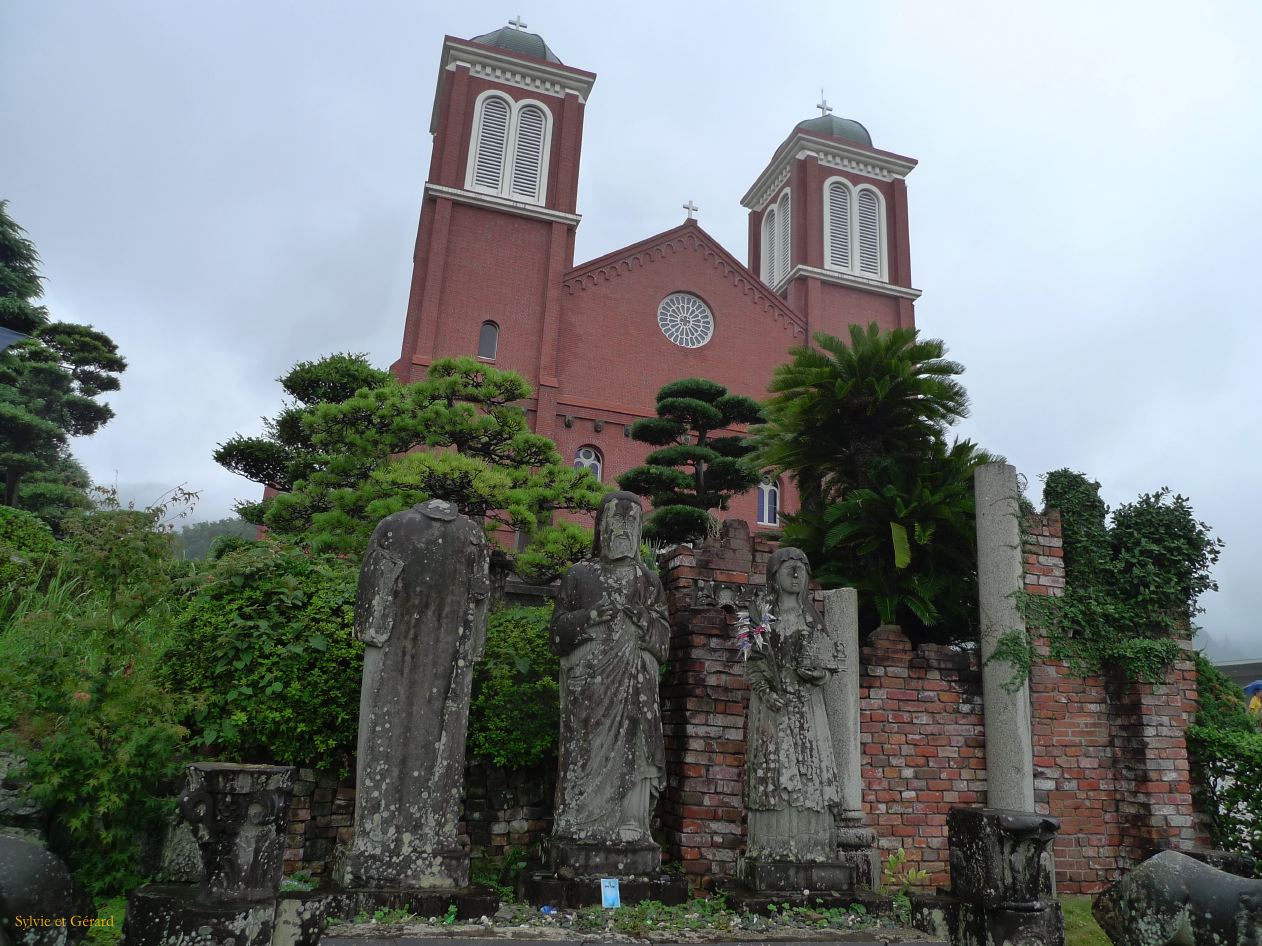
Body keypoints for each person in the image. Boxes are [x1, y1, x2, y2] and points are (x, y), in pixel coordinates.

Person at [549, 491, 670, 844]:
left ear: (639, 530)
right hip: (589, 688)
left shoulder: (648, 580)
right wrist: (589, 617)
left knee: (635, 748)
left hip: (634, 686)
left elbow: (663, 640)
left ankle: (630, 824)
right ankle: (577, 824)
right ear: (600, 527)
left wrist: (646, 622)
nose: (622, 529)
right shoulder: (580, 575)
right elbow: (556, 635)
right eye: (615, 521)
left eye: (630, 522)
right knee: (582, 752)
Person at [743, 546, 841, 861]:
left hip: (808, 707)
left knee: (812, 771)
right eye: (789, 568)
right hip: (772, 704)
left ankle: (814, 847)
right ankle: (770, 847)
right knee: (773, 768)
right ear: (774, 574)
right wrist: (764, 688)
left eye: (802, 568)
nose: (796, 574)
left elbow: (828, 661)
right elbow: (750, 659)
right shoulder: (758, 613)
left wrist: (819, 674)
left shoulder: (812, 617)